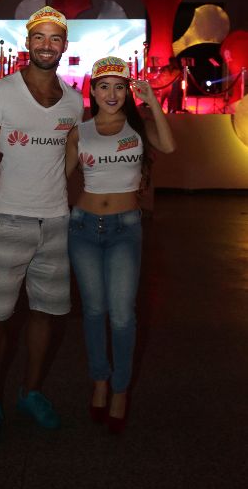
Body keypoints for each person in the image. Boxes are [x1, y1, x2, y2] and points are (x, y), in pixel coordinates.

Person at [0, 6, 84, 444]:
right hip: (9, 218)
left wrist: (58, 185)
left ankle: (31, 393)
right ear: (28, 42)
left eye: (55, 38)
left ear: (64, 46)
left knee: (46, 313)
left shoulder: (73, 100)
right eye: (40, 37)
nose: (47, 45)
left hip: (55, 220)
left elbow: (70, 148)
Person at [65, 56, 176, 433]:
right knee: (94, 311)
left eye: (118, 87)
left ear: (127, 92)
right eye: (103, 86)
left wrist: (153, 102)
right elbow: (58, 175)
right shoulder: (80, 132)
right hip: (83, 227)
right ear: (92, 91)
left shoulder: (139, 127)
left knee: (123, 314)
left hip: (125, 229)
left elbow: (169, 146)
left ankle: (120, 388)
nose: (111, 94)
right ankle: (100, 380)